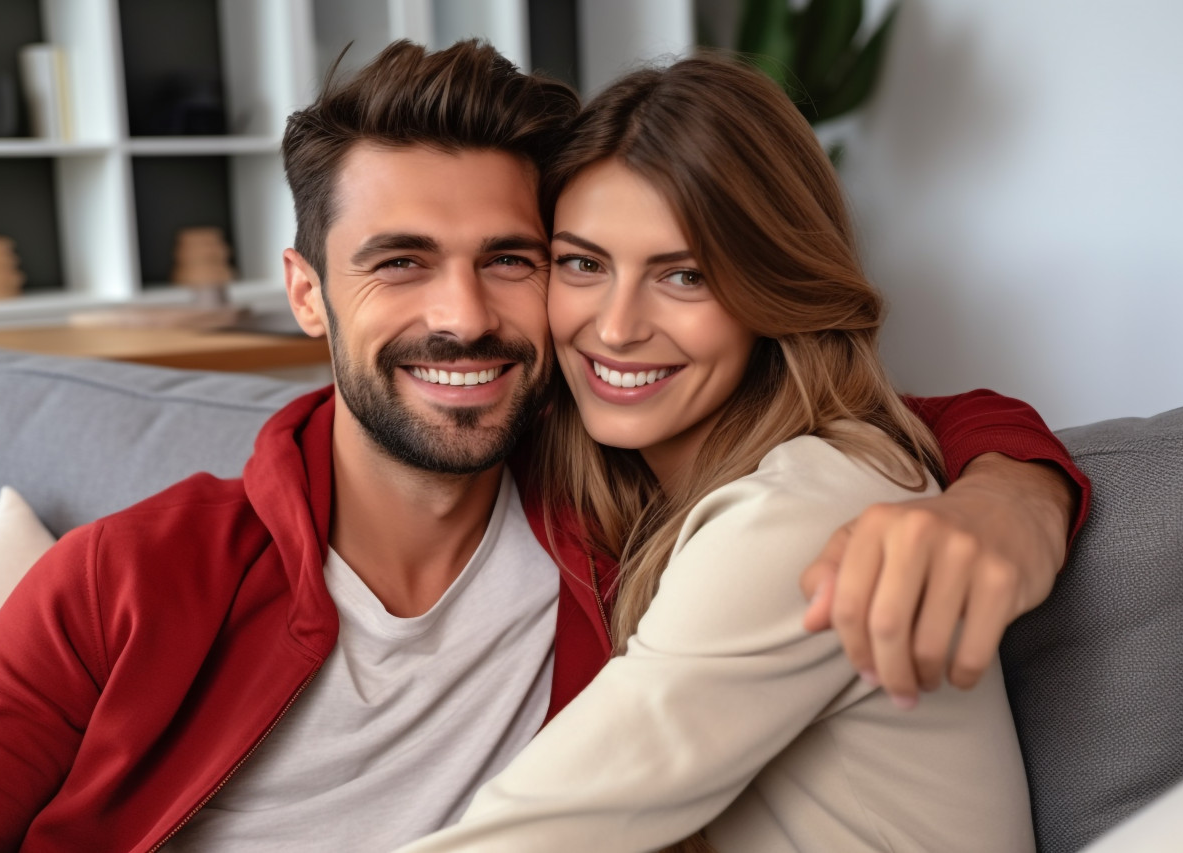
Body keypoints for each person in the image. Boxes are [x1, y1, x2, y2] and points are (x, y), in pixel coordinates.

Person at [0, 41, 1083, 853]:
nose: (466, 316)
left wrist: (1008, 494)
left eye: (513, 258)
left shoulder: (619, 509)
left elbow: (850, 431)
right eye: (397, 261)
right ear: (305, 293)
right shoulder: (127, 573)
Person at [396, 54, 1043, 852]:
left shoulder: (803, 512)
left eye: (684, 275)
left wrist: (1017, 496)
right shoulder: (649, 480)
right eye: (583, 263)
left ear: (771, 288)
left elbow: (538, 836)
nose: (618, 325)